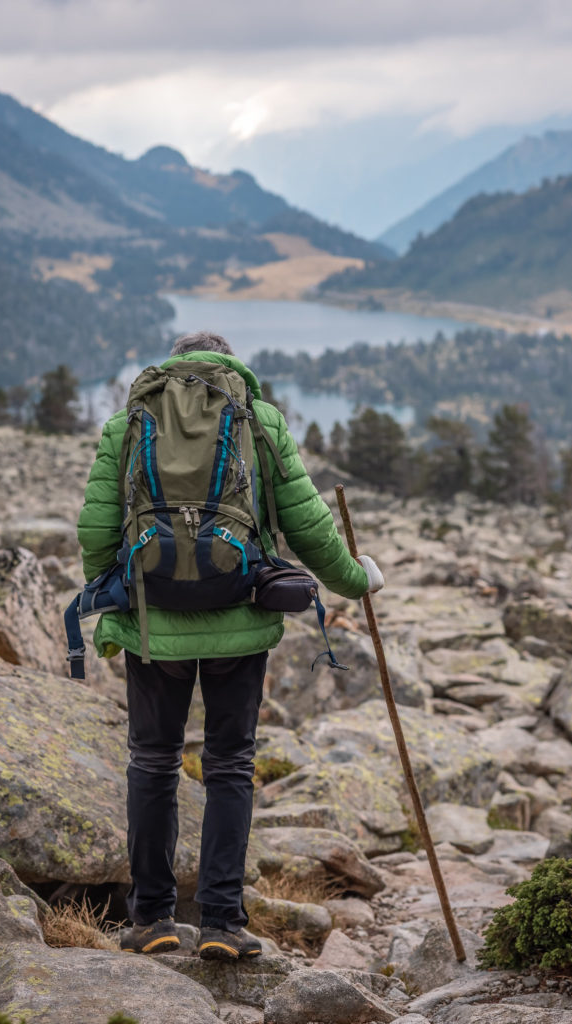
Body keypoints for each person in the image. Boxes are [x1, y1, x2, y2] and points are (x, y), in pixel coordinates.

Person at [77, 331, 384, 960]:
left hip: (152, 618)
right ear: (226, 361)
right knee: (230, 765)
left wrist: (117, 586)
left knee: (154, 762)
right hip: (239, 615)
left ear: (174, 362)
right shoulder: (257, 418)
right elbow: (306, 523)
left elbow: (97, 530)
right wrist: (356, 579)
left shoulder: (129, 422)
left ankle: (152, 918)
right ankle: (220, 920)